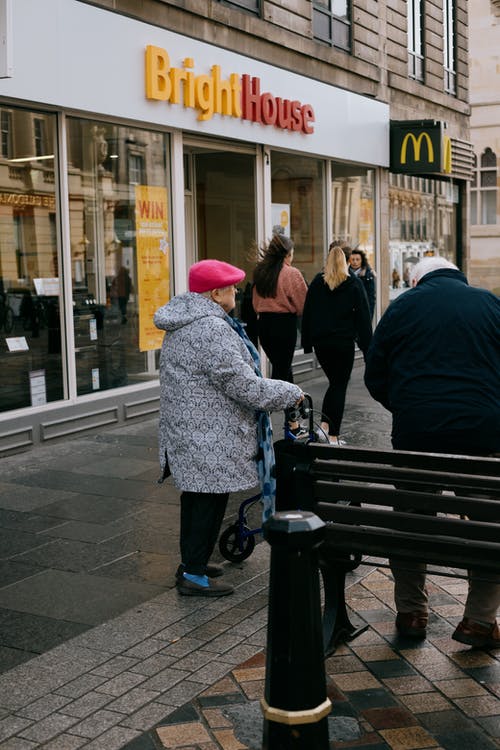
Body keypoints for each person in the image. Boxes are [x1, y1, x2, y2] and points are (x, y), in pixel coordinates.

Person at [364, 256, 500, 648]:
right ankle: (478, 621)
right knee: (487, 528)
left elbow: (376, 373)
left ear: (416, 279)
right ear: (457, 274)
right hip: (482, 437)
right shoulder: (489, 303)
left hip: (417, 436)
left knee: (411, 522)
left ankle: (412, 613)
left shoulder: (403, 306)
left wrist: (409, 408)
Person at [154, 259, 303, 598]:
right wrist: (290, 392)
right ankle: (193, 575)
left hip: (191, 430)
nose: (237, 292)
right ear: (216, 292)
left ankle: (193, 562)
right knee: (206, 500)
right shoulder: (211, 328)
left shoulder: (184, 321)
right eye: (232, 287)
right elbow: (243, 385)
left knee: (197, 498)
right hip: (207, 434)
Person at [301, 244, 373, 445]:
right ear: (346, 261)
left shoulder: (317, 283)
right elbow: (363, 319)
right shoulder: (353, 284)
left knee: (334, 384)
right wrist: (369, 349)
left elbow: (307, 314)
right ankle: (333, 436)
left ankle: (324, 426)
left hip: (322, 344)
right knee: (339, 386)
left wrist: (307, 343)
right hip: (342, 344)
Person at [252, 234, 308, 434]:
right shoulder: (291, 274)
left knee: (283, 369)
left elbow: (254, 303)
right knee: (282, 374)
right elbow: (303, 305)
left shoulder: (261, 272)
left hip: (264, 325)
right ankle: (272, 417)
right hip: (284, 325)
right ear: (287, 254)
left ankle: (294, 419)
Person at [349, 247, 376, 319]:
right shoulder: (345, 274)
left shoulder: (368, 275)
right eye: (352, 259)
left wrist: (370, 316)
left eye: (357, 259)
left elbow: (371, 298)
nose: (355, 262)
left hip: (363, 311)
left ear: (362, 261)